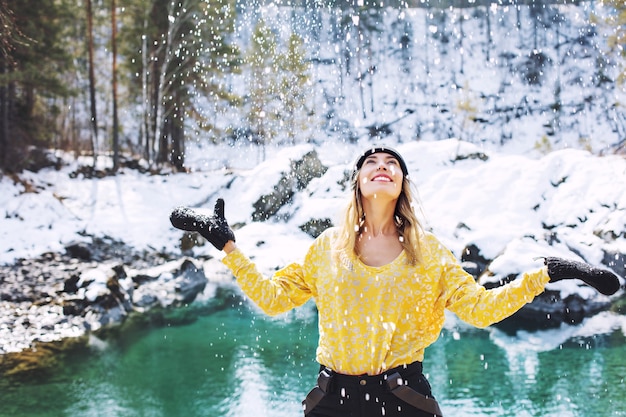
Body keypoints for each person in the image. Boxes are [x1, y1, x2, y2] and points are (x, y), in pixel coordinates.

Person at [170, 146, 621, 417]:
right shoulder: (328, 247)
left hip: (403, 399)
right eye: (372, 162)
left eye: (392, 163)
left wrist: (546, 273)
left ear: (402, 183)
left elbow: (481, 310)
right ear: (358, 183)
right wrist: (229, 247)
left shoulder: (429, 253)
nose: (382, 165)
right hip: (332, 402)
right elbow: (272, 300)